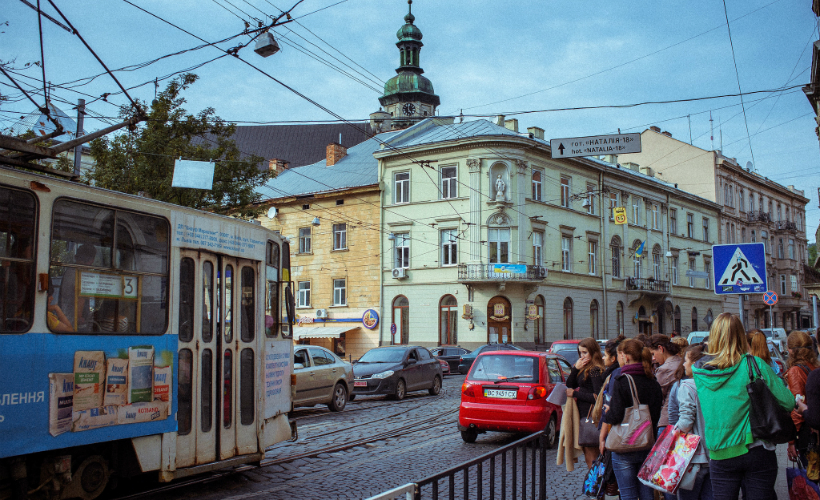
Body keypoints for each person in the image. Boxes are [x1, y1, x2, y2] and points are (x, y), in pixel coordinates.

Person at [692, 313, 794, 500]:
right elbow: (788, 402)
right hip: (756, 447)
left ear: (713, 336)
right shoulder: (753, 364)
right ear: (741, 335)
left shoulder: (699, 371)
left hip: (719, 451)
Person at [599, 339, 663, 500]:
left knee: (628, 494)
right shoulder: (653, 382)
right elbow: (655, 414)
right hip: (648, 443)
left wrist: (609, 411)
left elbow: (615, 417)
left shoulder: (622, 381)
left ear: (625, 356)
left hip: (625, 446)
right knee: (647, 494)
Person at [675, 344, 712, 500]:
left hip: (693, 456)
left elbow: (686, 420)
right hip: (713, 453)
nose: (683, 364)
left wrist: (674, 432)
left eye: (686, 360)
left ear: (696, 363)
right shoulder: (712, 383)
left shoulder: (687, 386)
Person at [565, 337, 606, 468]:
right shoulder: (585, 367)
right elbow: (569, 384)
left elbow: (598, 397)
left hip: (590, 416)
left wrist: (576, 394)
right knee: (587, 451)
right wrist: (576, 369)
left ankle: (594, 484)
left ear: (593, 352)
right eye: (580, 353)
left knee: (591, 455)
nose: (582, 356)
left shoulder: (594, 370)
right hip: (583, 414)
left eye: (585, 352)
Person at [784, 330, 819, 462]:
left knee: (810, 475)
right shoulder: (816, 367)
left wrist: (792, 441)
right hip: (815, 426)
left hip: (806, 432)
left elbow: (797, 406)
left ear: (791, 350)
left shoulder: (795, 371)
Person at [649, 334, 683, 436]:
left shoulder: (665, 369)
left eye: (653, 353)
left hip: (667, 419)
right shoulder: (681, 362)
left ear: (661, 348)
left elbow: (657, 396)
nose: (653, 358)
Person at [58, 244, 96, 331]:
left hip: (65, 318)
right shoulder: (81, 274)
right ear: (91, 260)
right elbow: (80, 297)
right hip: (75, 324)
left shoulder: (70, 271)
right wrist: (79, 317)